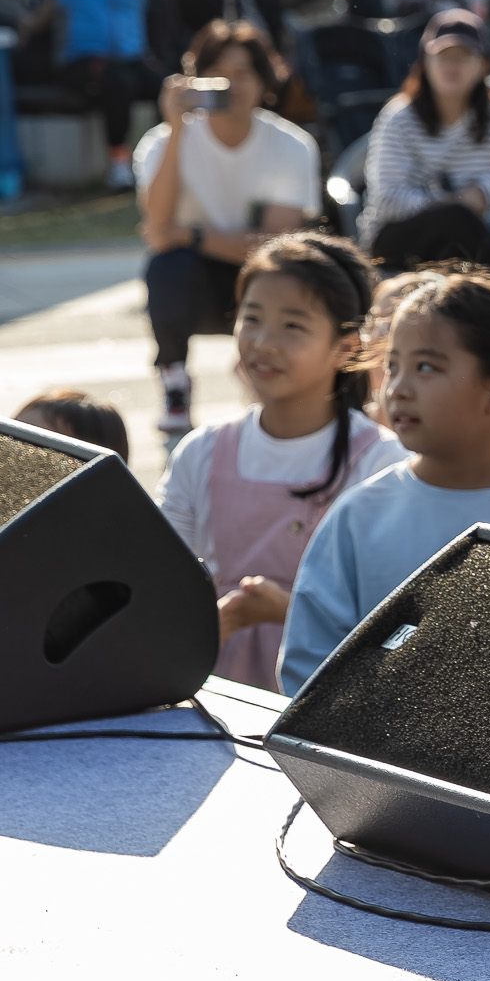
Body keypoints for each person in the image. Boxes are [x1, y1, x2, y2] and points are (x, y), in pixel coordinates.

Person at [276, 270, 490, 695]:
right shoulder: (359, 515)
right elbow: (306, 671)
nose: (398, 388)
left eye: (425, 367)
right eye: (393, 366)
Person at [158, 234, 402, 691]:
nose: (264, 343)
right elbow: (158, 584)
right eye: (251, 319)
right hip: (209, 698)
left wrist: (287, 611)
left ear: (346, 347)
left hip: (324, 713)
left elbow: (393, 628)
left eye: (293, 326)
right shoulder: (201, 451)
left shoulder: (383, 463)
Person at [134, 21, 322, 434]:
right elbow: (158, 227)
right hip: (195, 284)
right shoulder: (161, 142)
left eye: (244, 74)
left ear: (264, 80)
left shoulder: (291, 146)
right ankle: (175, 381)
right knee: (166, 267)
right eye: (219, 75)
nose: (232, 86)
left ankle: (265, 370)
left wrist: (192, 235)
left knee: (287, 273)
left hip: (261, 283)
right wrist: (177, 125)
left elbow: (277, 246)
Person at [359, 10, 490, 272]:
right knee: (455, 219)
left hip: (473, 233)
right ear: (424, 63)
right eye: (442, 56)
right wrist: (447, 203)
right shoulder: (398, 117)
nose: (452, 66)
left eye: (463, 57)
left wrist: (483, 192)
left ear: (483, 65)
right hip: (396, 240)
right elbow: (386, 198)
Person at [46, 0, 158, 188]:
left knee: (165, 84)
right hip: (80, 54)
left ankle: (162, 159)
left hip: (130, 53)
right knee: (119, 82)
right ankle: (119, 164)